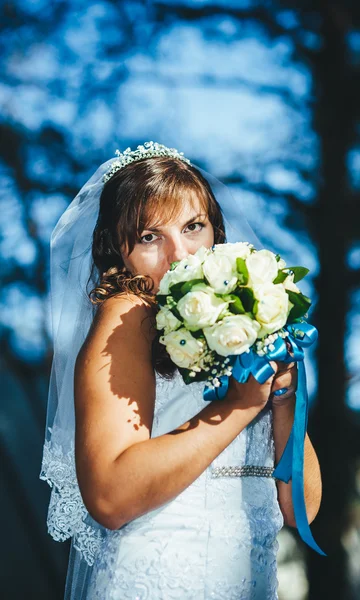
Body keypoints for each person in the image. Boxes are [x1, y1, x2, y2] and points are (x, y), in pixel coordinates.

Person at [40, 142, 322, 600]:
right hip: (160, 579)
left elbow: (301, 510)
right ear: (118, 247)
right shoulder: (129, 316)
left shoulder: (240, 322)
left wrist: (283, 396)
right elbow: (110, 496)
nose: (179, 255)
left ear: (216, 229)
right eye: (150, 237)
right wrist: (239, 407)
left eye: (194, 227)